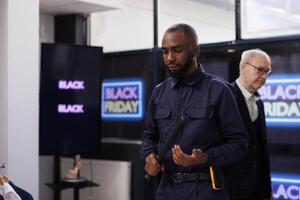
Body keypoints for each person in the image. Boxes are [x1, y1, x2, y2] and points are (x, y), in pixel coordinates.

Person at [141, 23, 248, 200]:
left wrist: (204, 157)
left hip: (206, 189)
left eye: (177, 50)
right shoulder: (159, 92)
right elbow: (149, 135)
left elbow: (239, 144)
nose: (169, 58)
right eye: (165, 51)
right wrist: (149, 156)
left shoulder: (219, 90)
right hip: (166, 189)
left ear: (196, 51)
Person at [226, 49, 272, 200]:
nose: (264, 76)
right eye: (260, 70)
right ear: (243, 67)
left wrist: (267, 190)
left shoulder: (259, 104)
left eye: (267, 72)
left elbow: (261, 150)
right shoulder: (224, 98)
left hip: (257, 191)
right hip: (230, 190)